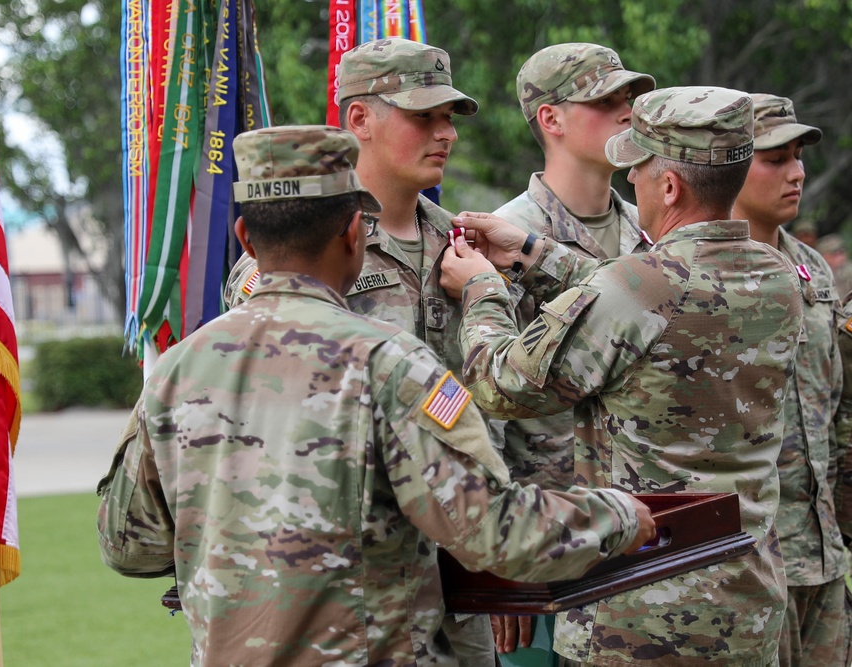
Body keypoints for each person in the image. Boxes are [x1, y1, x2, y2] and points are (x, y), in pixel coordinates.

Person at [96, 125, 655, 666]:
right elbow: (496, 534)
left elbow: (128, 545)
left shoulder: (174, 373)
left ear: (246, 238)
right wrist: (622, 516)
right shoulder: (391, 364)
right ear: (353, 233)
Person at [440, 87, 803, 665]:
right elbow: (646, 294)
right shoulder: (779, 274)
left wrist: (482, 289)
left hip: (640, 611)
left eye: (636, 168)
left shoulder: (641, 287)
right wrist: (534, 252)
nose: (628, 181)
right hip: (745, 599)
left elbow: (499, 384)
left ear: (669, 186)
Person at [223, 37, 503, 663]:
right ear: (359, 121)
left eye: (449, 117)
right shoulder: (297, 256)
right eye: (422, 115)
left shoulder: (464, 247)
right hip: (355, 587)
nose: (445, 133)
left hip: (465, 570)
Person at [489, 43, 655, 663]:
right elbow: (482, 403)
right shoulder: (501, 236)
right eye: (604, 100)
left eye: (630, 97)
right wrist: (505, 553)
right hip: (549, 537)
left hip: (644, 532)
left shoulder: (653, 231)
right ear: (551, 119)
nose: (627, 111)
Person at [732, 93, 852, 667]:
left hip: (821, 555)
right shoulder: (695, 274)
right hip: (747, 561)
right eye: (774, 158)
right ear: (727, 163)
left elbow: (833, 411)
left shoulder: (812, 269)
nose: (797, 171)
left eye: (798, 155)